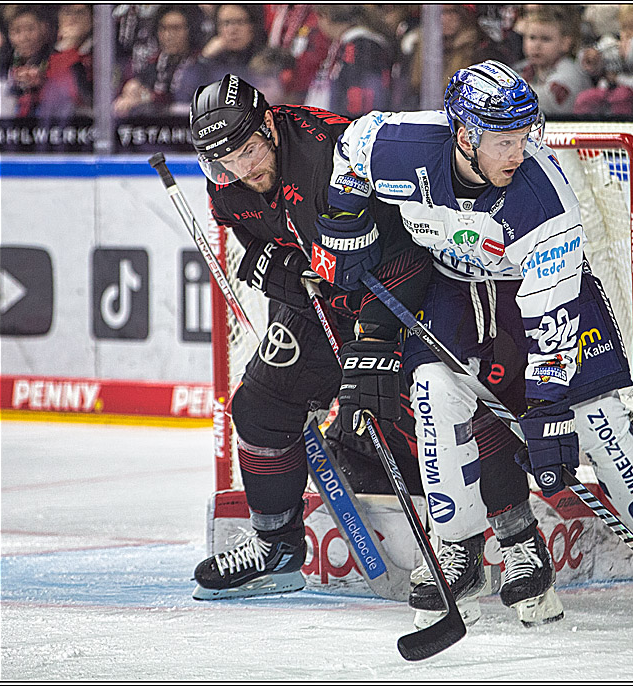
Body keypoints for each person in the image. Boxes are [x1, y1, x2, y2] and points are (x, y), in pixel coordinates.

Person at [322, 60, 633, 627]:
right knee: (432, 390)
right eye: (504, 140)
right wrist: (346, 223)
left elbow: (552, 321)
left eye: (525, 136)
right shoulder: (401, 146)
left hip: (545, 294)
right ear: (465, 135)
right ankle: (458, 551)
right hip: (455, 288)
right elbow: (351, 150)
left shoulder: (543, 202)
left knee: (591, 416)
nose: (518, 153)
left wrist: (547, 411)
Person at [185, 74, 434, 600]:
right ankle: (275, 547)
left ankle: (464, 541)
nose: (242, 169)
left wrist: (376, 339)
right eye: (225, 161)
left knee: (411, 407)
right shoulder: (227, 180)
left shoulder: (331, 156)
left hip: (401, 294)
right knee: (258, 404)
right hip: (320, 302)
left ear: (270, 125)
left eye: (249, 150)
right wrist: (272, 266)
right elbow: (255, 237)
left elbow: (408, 250)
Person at [113, 5, 203, 117]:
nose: (168, 35)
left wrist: (148, 99)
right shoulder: (154, 63)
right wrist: (132, 90)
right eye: (163, 28)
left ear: (190, 30)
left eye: (176, 28)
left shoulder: (200, 64)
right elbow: (141, 88)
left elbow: (181, 99)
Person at [514, 6, 590, 116]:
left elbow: (547, 104)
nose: (537, 45)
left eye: (545, 39)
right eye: (532, 38)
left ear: (565, 43)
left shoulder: (570, 72)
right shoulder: (522, 69)